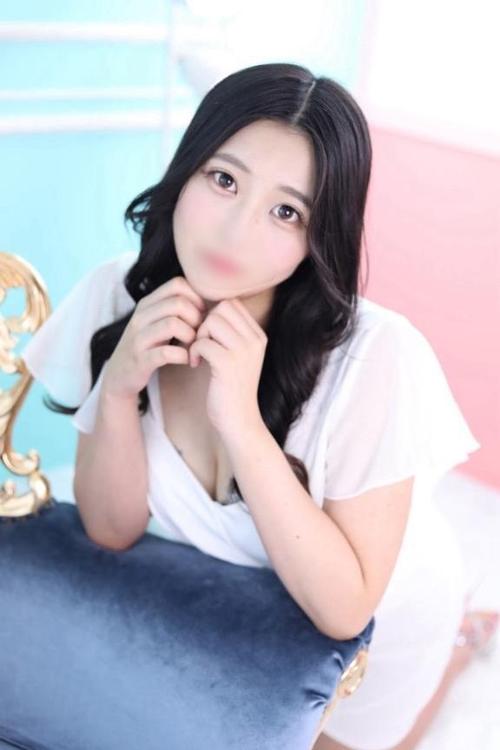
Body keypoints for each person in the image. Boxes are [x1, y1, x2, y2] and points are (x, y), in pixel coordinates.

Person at [21, 62, 497, 750]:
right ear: (187, 169)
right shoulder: (119, 297)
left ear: (319, 234)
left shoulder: (376, 356)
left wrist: (241, 423)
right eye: (224, 180)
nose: (236, 230)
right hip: (236, 612)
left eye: (286, 211)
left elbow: (344, 610)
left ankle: (462, 635)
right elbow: (111, 530)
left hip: (375, 613)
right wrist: (119, 387)